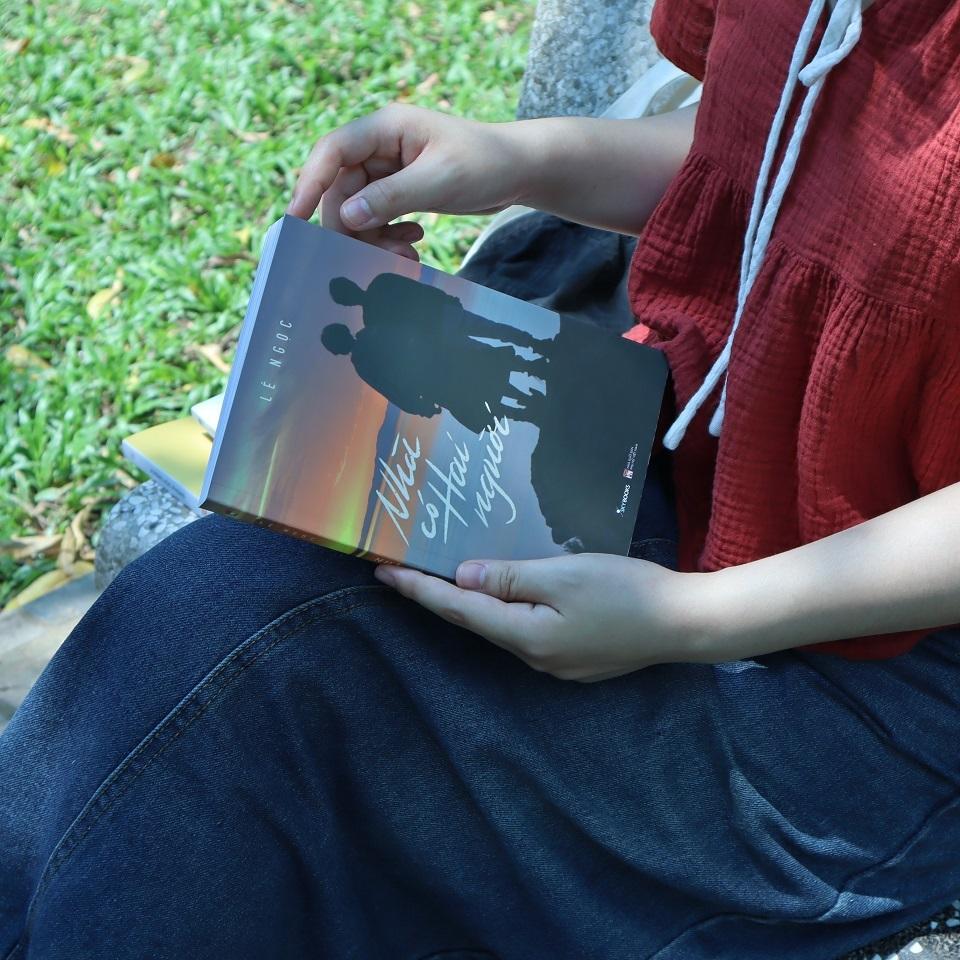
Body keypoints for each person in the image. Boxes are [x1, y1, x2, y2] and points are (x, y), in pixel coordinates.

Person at [3, 0, 960, 957]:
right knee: (194, 610)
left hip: (877, 669)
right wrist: (514, 160)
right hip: (691, 445)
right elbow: (766, 148)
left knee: (257, 708)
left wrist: (690, 620)